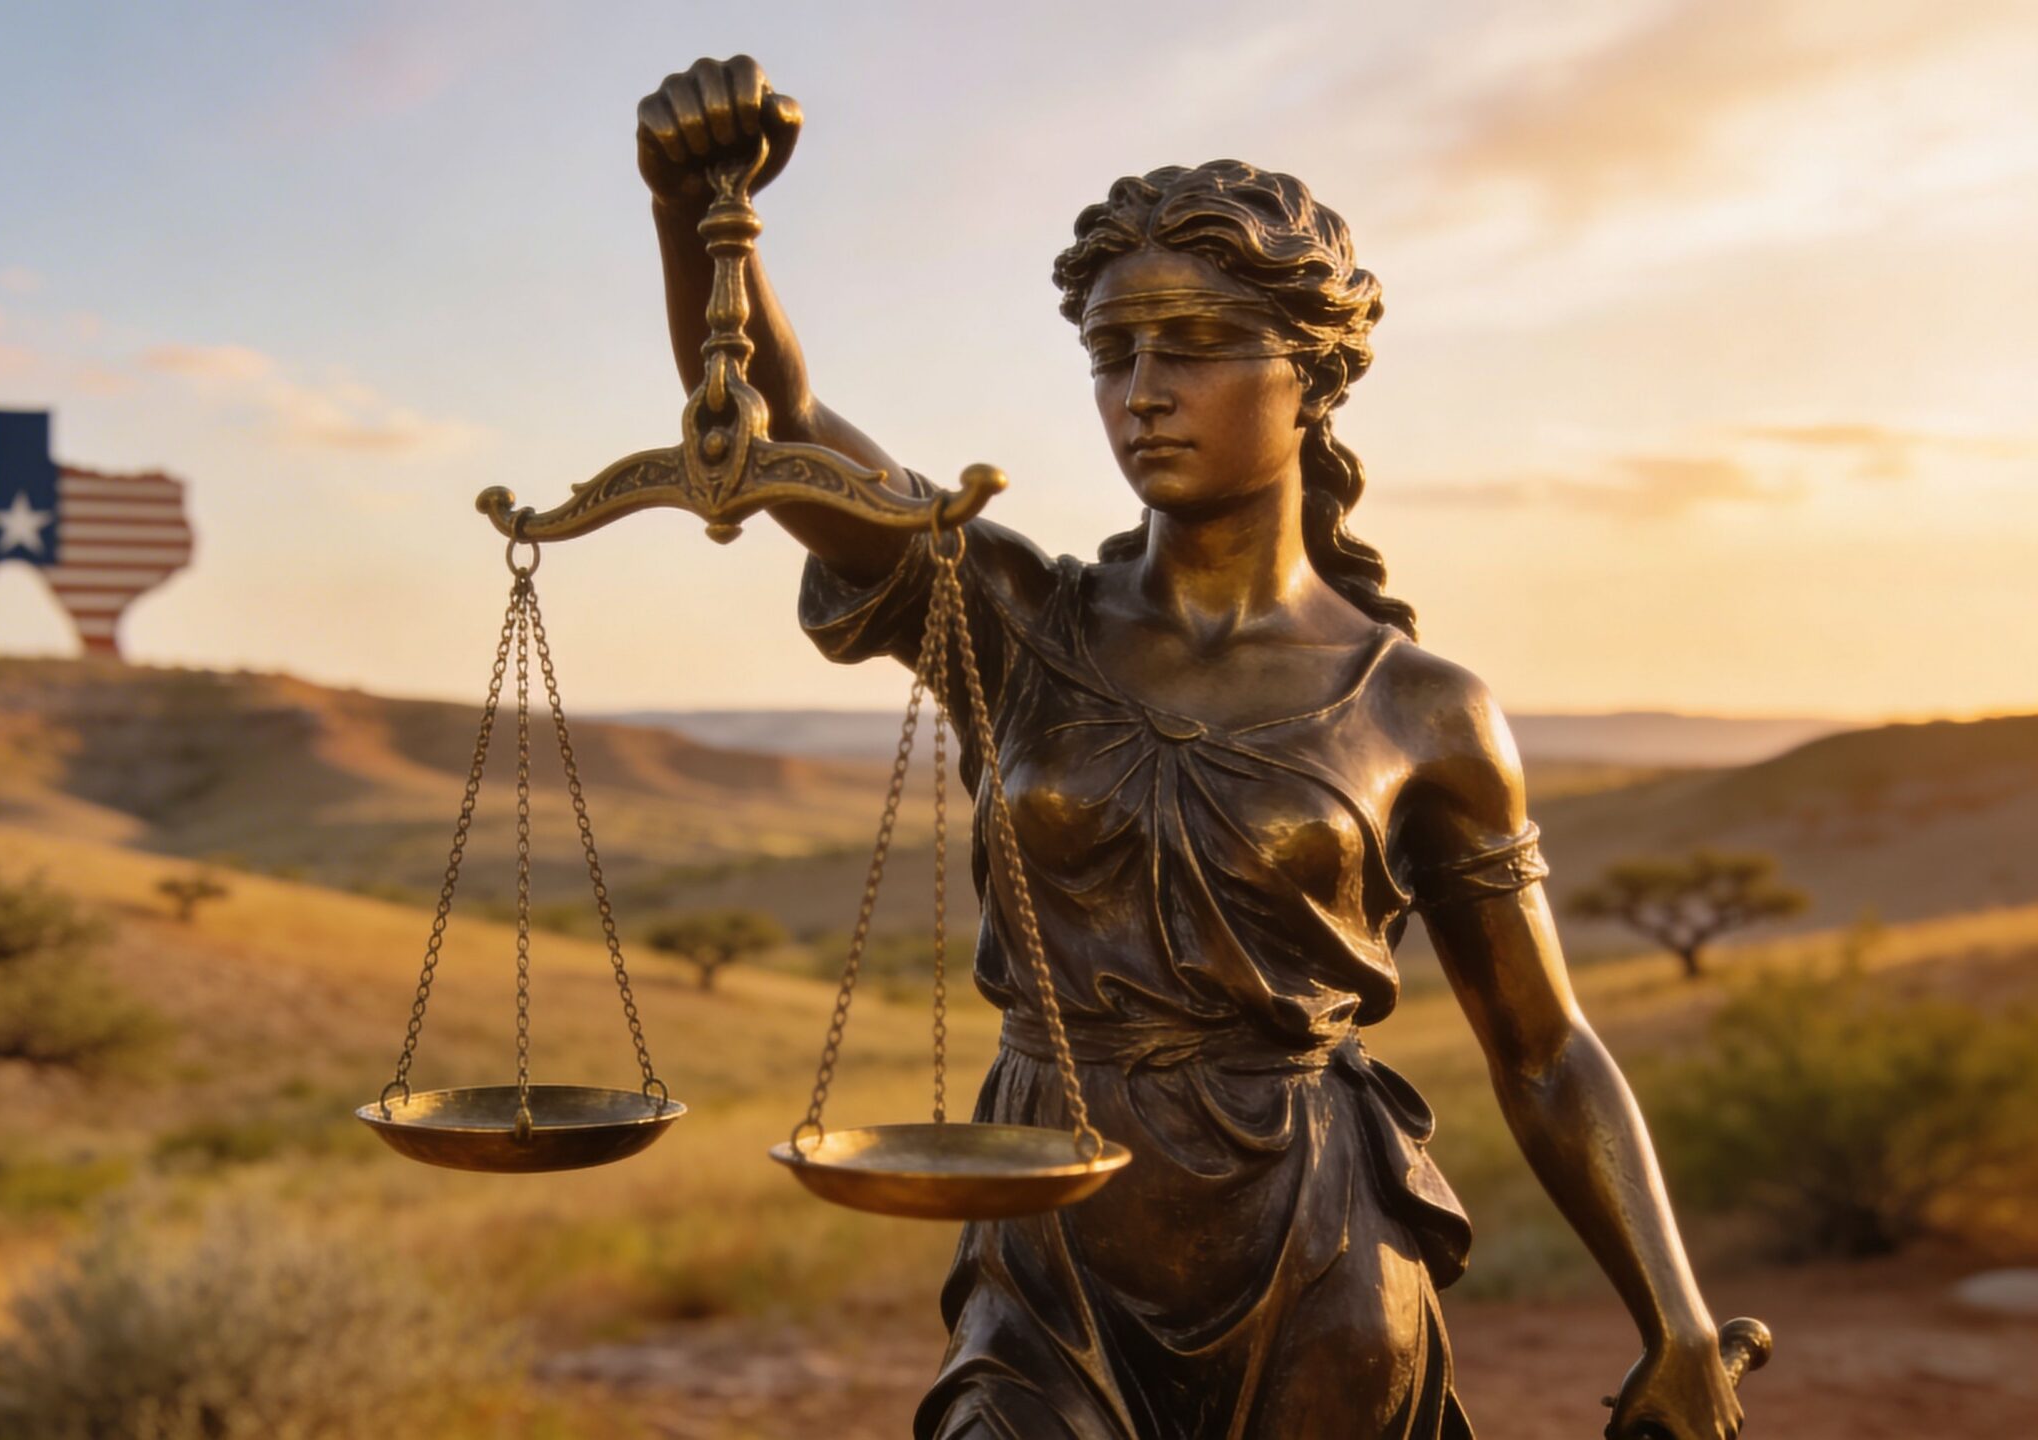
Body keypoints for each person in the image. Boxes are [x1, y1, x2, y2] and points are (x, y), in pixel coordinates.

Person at [635, 57, 1745, 1440]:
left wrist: (1677, 1320)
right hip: (1052, 1234)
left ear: (1313, 377)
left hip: (1316, 1240)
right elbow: (781, 432)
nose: (1143, 391)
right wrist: (697, 212)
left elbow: (1545, 1049)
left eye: (1198, 342)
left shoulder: (1423, 712)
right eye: (1114, 350)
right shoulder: (1018, 620)